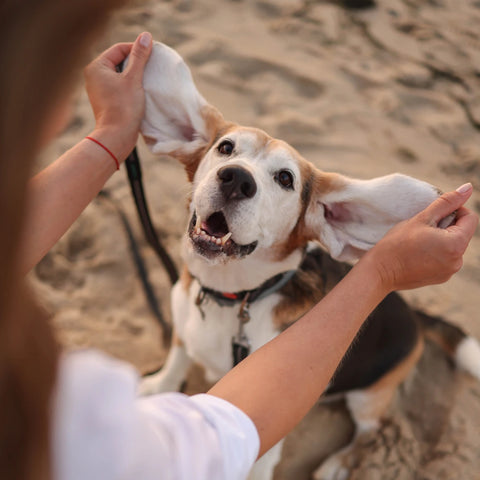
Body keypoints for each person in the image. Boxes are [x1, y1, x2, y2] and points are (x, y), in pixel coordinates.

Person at [0, 1, 477, 480]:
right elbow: (222, 425)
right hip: (219, 307)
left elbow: (254, 437)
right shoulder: (85, 413)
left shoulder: (59, 423)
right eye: (227, 152)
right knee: (187, 326)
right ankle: (170, 374)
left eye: (283, 181)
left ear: (321, 219)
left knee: (365, 408)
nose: (238, 176)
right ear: (196, 157)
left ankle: (364, 438)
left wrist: (109, 133)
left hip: (385, 350)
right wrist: (170, 380)